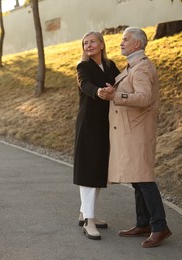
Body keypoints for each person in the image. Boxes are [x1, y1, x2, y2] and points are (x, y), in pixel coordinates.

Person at [98, 27, 172, 248]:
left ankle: (160, 227)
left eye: (126, 39)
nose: (121, 43)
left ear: (138, 44)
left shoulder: (142, 68)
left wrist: (117, 95)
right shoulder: (132, 66)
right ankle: (143, 223)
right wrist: (113, 90)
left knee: (144, 179)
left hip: (138, 131)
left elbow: (144, 98)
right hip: (131, 131)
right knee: (137, 178)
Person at [73, 31, 120, 240]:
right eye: (85, 43)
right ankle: (89, 222)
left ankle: (85, 212)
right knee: (88, 171)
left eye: (92, 42)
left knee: (99, 170)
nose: (88, 45)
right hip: (88, 124)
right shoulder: (83, 66)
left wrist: (116, 90)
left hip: (107, 124)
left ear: (101, 44)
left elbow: (121, 83)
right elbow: (85, 84)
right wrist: (99, 92)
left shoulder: (110, 66)